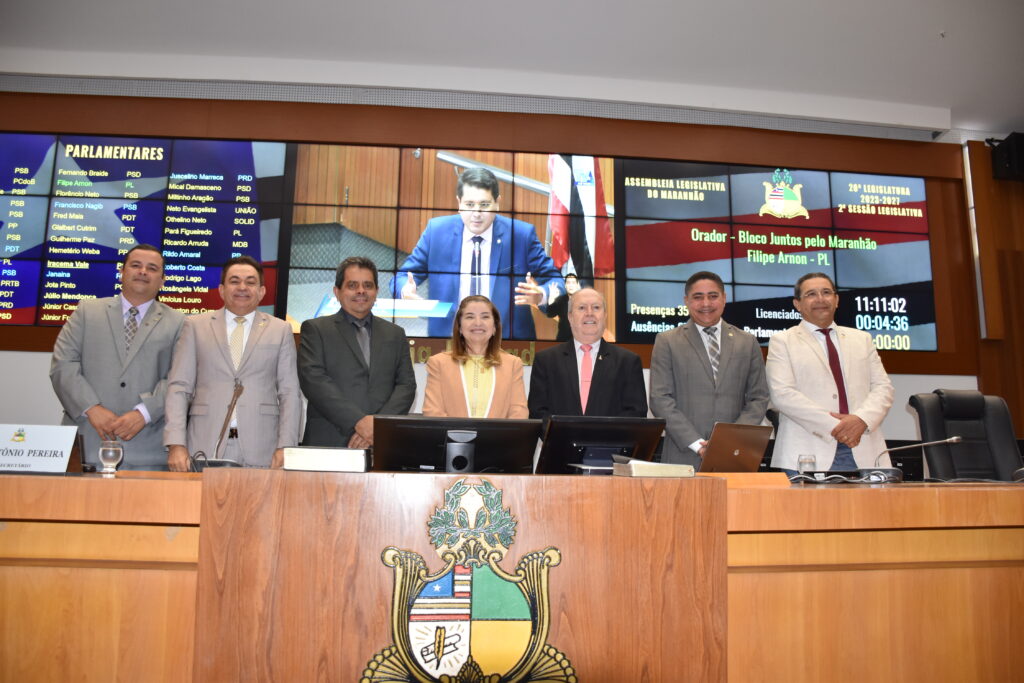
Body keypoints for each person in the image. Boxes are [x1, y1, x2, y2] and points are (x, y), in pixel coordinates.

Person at [50, 244, 185, 470]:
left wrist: (144, 413)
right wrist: (91, 408)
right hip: (87, 442)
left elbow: (180, 378)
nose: (143, 272)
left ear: (162, 280)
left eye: (152, 268)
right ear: (121, 272)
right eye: (136, 265)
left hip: (148, 450)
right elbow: (63, 366)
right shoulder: (86, 312)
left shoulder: (180, 322)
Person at [164, 256, 301, 469]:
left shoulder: (280, 329)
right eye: (234, 281)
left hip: (262, 445)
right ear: (221, 290)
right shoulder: (195, 326)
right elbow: (179, 387)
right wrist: (176, 443)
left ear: (261, 291)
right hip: (204, 442)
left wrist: (286, 446)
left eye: (250, 282)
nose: (242, 287)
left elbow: (289, 392)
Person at [394, 167, 564, 339]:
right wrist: (405, 290)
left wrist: (541, 295)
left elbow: (556, 282)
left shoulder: (521, 235)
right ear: (459, 203)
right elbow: (401, 277)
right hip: (449, 338)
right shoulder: (436, 231)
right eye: (469, 205)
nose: (476, 213)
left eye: (484, 205)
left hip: (506, 342)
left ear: (497, 203)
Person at [766, 272, 894, 473]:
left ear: (836, 300)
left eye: (826, 292)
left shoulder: (862, 339)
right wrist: (837, 427)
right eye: (811, 294)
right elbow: (782, 395)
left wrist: (861, 420)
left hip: (865, 448)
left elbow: (883, 388)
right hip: (807, 451)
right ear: (797, 304)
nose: (820, 299)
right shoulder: (782, 341)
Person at [649, 271, 769, 467]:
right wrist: (697, 444)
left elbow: (759, 398)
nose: (706, 303)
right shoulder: (667, 341)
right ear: (686, 301)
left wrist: (729, 440)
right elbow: (660, 399)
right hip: (683, 454)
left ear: (724, 298)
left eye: (713, 296)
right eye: (698, 297)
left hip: (734, 453)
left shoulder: (747, 342)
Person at [299, 256, 416, 448]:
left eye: (368, 285)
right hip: (329, 441)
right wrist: (358, 423)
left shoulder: (395, 334)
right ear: (337, 292)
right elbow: (314, 382)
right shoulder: (316, 329)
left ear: (376, 292)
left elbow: (406, 386)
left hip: (381, 442)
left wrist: (377, 426)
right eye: (352, 285)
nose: (361, 291)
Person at [529, 287, 647, 420]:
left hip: (611, 435)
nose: (589, 313)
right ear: (570, 317)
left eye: (596, 307)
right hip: (561, 435)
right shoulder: (545, 360)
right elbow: (537, 412)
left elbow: (636, 413)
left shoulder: (628, 362)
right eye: (582, 308)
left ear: (605, 315)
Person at [423, 295, 528, 419]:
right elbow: (433, 412)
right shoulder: (438, 363)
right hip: (450, 432)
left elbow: (518, 413)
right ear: (459, 327)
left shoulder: (512, 364)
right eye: (470, 317)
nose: (478, 323)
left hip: (499, 433)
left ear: (494, 327)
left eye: (485, 317)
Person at [544, 273, 582, 342]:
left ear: (577, 285)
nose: (571, 285)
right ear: (565, 286)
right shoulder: (561, 300)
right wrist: (551, 299)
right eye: (568, 283)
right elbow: (550, 314)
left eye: (573, 283)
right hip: (563, 339)